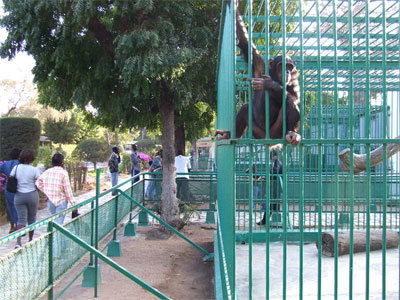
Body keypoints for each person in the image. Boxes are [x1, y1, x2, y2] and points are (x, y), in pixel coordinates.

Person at [10, 150, 41, 248]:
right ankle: (30, 240)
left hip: (19, 195)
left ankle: (18, 242)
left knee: (21, 219)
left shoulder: (16, 168)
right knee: (32, 218)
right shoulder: (34, 169)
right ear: (32, 159)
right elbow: (39, 181)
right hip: (32, 195)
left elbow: (11, 177)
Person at [35, 153, 77, 225]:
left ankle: (53, 235)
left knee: (55, 222)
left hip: (50, 201)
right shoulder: (63, 173)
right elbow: (68, 191)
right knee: (58, 224)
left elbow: (38, 183)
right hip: (61, 201)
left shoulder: (47, 172)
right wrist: (74, 205)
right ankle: (55, 236)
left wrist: (46, 191)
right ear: (62, 162)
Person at [257, 149, 283, 225]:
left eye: (270, 155)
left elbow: (275, 171)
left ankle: (265, 220)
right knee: (273, 205)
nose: (269, 157)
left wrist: (269, 174)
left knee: (272, 204)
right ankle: (268, 220)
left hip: (275, 187)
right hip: (275, 186)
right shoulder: (275, 162)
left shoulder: (277, 162)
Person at [0, 148, 22, 233]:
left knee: (10, 207)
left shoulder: (6, 164)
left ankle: (12, 226)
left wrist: (5, 177)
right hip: (19, 187)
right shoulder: (20, 164)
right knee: (19, 206)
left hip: (8, 187)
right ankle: (19, 226)